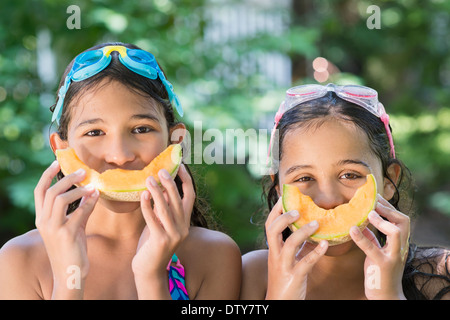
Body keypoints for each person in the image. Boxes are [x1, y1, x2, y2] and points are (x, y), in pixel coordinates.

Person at [0, 42, 241, 300]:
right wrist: (69, 277)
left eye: (141, 129)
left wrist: (151, 276)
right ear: (61, 149)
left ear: (175, 141)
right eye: (94, 132)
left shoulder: (214, 255)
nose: (120, 156)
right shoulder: (19, 260)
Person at [241, 83, 449, 300]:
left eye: (350, 175)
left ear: (389, 181)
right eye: (304, 178)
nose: (329, 199)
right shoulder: (251, 276)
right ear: (280, 190)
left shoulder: (440, 275)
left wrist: (390, 295)